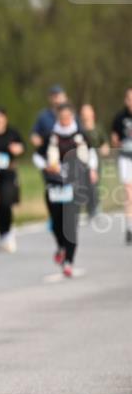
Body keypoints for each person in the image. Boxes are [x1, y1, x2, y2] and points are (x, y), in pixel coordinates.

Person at [34, 103, 97, 276]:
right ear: (58, 118)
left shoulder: (80, 135)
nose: (65, 120)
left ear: (72, 117)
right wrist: (46, 167)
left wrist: (91, 169)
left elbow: (90, 153)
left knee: (71, 223)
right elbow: (37, 156)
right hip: (54, 184)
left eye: (68, 117)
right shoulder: (50, 136)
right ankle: (61, 247)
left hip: (74, 183)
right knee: (56, 222)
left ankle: (69, 260)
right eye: (62, 117)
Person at [0, 106, 25, 253]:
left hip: (8, 173)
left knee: (6, 202)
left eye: (0, 118)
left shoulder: (12, 133)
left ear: (5, 119)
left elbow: (22, 146)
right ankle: (2, 234)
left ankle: (8, 232)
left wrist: (18, 148)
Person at [110, 87, 132, 245]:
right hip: (125, 158)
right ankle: (130, 227)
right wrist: (116, 142)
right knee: (128, 192)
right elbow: (114, 137)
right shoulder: (119, 117)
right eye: (129, 99)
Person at [78, 104, 103, 219]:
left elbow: (104, 142)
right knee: (84, 185)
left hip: (95, 160)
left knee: (93, 184)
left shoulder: (97, 129)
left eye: (87, 112)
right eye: (83, 113)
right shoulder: (79, 130)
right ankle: (88, 209)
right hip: (82, 161)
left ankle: (95, 207)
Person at [31, 84, 68, 149]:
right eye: (54, 96)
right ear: (50, 98)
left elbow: (81, 133)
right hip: (47, 153)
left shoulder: (73, 115)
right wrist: (35, 138)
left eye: (59, 96)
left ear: (65, 97)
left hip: (67, 154)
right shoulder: (43, 116)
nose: (57, 100)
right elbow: (35, 133)